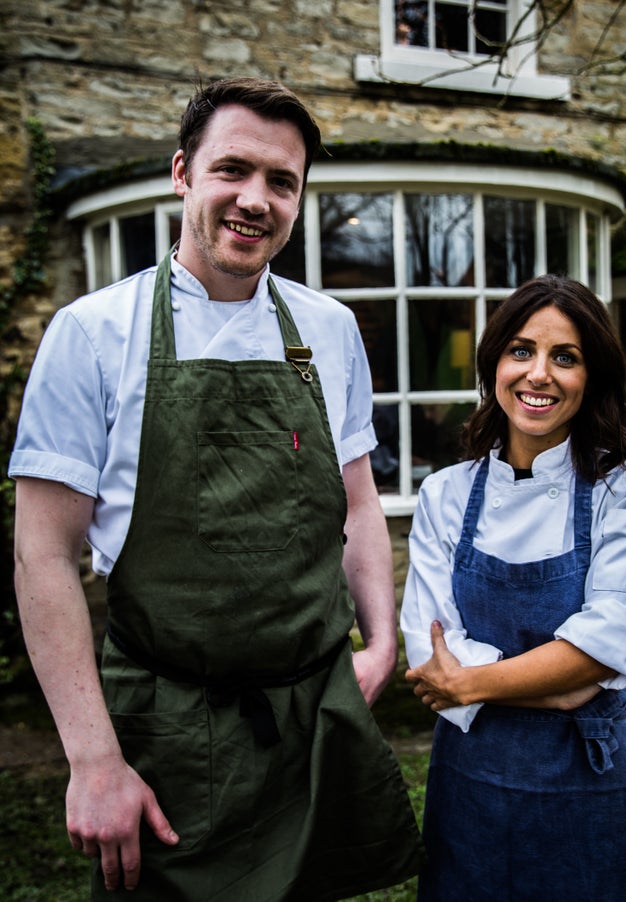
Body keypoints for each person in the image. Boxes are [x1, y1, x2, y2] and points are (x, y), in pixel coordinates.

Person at [10, 77, 423, 900]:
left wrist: (381, 642)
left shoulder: (331, 332)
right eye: (232, 169)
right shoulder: (94, 333)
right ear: (182, 174)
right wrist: (93, 760)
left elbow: (358, 504)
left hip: (315, 724)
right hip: (168, 730)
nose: (255, 199)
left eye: (282, 182)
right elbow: (42, 553)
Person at [401, 274, 626, 900]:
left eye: (565, 357)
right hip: (472, 778)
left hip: (590, 774)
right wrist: (560, 685)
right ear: (495, 362)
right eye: (521, 350)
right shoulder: (445, 494)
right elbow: (427, 650)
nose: (539, 374)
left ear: (593, 375)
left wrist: (470, 682)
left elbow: (609, 644)